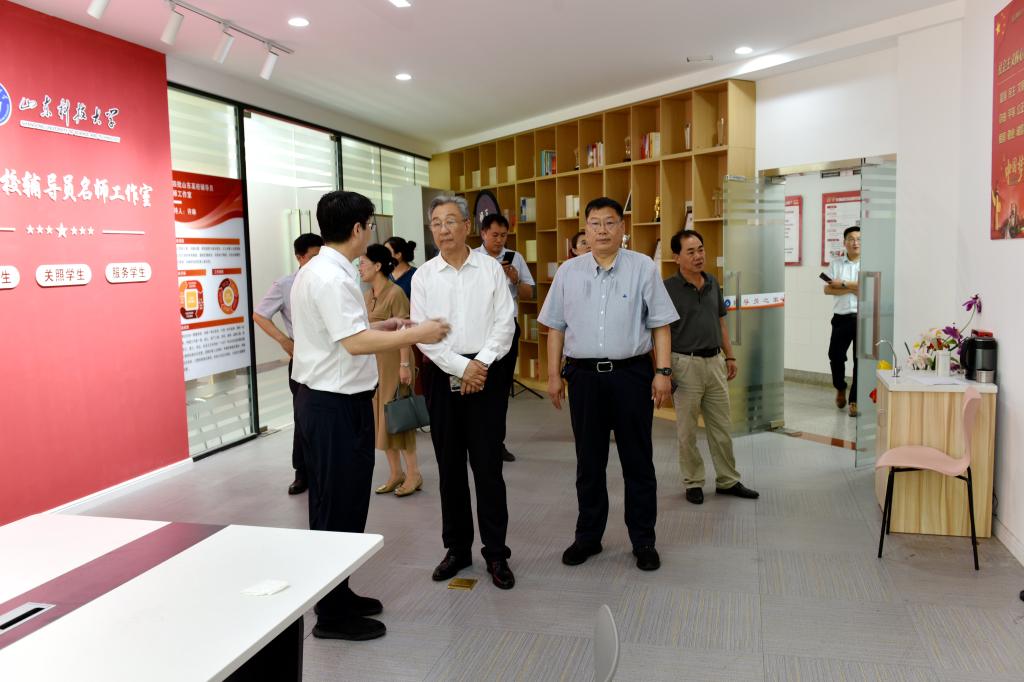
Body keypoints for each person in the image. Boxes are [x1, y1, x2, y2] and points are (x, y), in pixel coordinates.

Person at [291, 190, 449, 641]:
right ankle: (331, 615)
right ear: (358, 228)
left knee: (338, 504)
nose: (372, 232)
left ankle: (337, 594)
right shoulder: (332, 277)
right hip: (334, 406)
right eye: (370, 225)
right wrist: (418, 333)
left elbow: (343, 332)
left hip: (329, 401)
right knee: (337, 507)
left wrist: (384, 325)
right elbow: (353, 344)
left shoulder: (321, 269)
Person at [539, 197, 678, 572]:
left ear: (622, 227)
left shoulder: (642, 267)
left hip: (632, 375)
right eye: (595, 223)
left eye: (610, 222)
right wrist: (553, 375)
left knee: (638, 461)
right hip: (583, 377)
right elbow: (555, 328)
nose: (602, 230)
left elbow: (661, 324)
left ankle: (643, 540)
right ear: (585, 229)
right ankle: (588, 537)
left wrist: (663, 372)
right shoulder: (568, 272)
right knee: (589, 461)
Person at [410, 194, 517, 590]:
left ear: (468, 226)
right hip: (443, 374)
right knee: (450, 468)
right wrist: (461, 367)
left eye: (451, 221)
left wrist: (480, 365)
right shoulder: (424, 277)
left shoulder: (490, 270)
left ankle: (496, 552)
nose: (443, 229)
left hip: (486, 373)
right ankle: (457, 549)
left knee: (488, 467)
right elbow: (423, 335)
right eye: (436, 223)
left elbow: (505, 323)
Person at [663, 229, 759, 505]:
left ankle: (728, 480)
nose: (698, 256)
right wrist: (664, 370)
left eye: (701, 250)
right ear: (676, 257)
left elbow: (721, 322)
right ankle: (693, 481)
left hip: (715, 362)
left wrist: (730, 356)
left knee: (721, 427)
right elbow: (660, 332)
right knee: (687, 431)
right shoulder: (667, 289)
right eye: (691, 251)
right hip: (685, 364)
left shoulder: (712, 282)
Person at [253, 232, 324, 495]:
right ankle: (302, 472)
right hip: (302, 359)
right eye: (313, 257)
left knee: (326, 416)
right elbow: (260, 314)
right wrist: (284, 341)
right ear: (299, 257)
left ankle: (325, 470)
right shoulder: (286, 284)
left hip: (328, 358)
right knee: (302, 416)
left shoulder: (329, 280)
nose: (318, 262)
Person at [358, 244, 422, 497]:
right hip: (375, 366)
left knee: (400, 418)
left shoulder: (396, 293)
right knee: (381, 421)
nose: (360, 268)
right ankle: (396, 473)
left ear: (377, 266)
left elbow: (405, 330)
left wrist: (405, 365)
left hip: (396, 362)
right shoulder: (367, 295)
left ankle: (414, 474)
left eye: (363, 263)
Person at [475, 213, 536, 463]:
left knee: (500, 390)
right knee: (477, 387)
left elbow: (529, 293)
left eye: (504, 235)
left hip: (507, 329)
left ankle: (497, 443)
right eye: (494, 235)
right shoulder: (473, 258)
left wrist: (515, 278)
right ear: (483, 234)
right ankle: (476, 443)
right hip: (479, 330)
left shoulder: (515, 257)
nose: (499, 240)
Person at [824, 226, 861, 417]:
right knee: (835, 356)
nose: (855, 242)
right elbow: (827, 289)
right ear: (844, 242)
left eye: (859, 239)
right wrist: (854, 288)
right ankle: (840, 387)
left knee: (859, 360)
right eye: (851, 239)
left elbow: (868, 287)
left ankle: (855, 400)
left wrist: (843, 284)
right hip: (840, 318)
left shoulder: (869, 263)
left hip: (863, 318)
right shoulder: (836, 264)